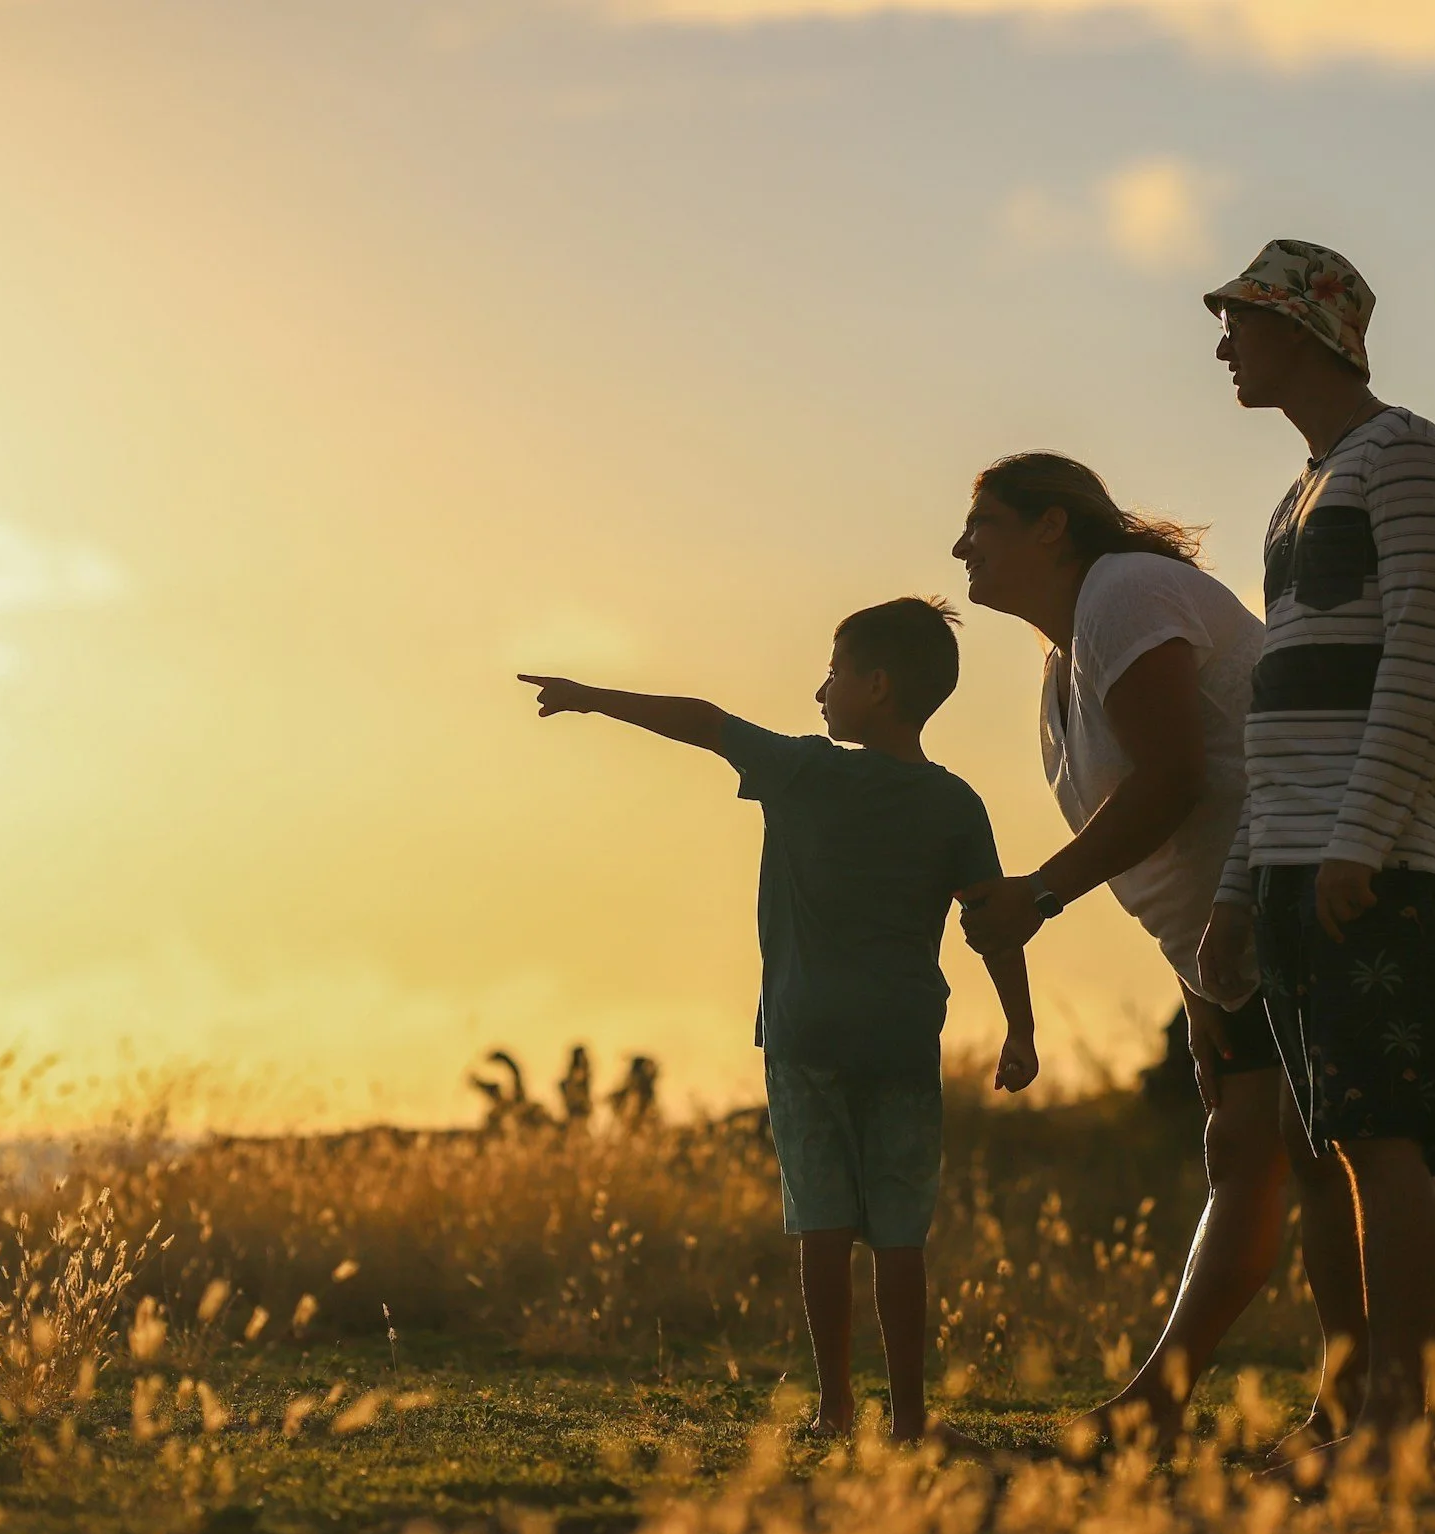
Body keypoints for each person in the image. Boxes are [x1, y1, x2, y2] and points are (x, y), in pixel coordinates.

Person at [520, 598, 1038, 1445]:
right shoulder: (956, 804)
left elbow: (703, 722)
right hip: (904, 1040)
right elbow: (992, 923)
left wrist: (592, 696)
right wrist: (1020, 1029)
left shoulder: (804, 770)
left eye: (834, 672)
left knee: (823, 1226)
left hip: (804, 1037)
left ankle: (836, 1409)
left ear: (876, 685)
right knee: (900, 1237)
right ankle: (909, 1419)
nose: (820, 689)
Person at [950, 453, 1367, 1453]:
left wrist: (1040, 893)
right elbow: (1188, 799)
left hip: (1299, 889)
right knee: (1248, 1155)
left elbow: (1178, 777)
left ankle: (1357, 1406)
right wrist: (1196, 983)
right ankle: (1185, 1403)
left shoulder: (1125, 595)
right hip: (1230, 934)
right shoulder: (1073, 649)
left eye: (984, 522)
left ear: (1052, 526)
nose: (963, 544)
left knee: (1317, 1155)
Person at [1196, 240, 1435, 1464]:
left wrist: (1362, 837)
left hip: (1369, 860)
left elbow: (1426, 659)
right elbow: (1281, 704)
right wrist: (1235, 885)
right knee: (1317, 1148)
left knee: (1381, 1137)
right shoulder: (1299, 492)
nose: (1223, 344)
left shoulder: (1409, 459)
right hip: (1289, 863)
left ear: (1310, 335)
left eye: (1242, 321)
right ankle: (1345, 1404)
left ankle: (1402, 1427)